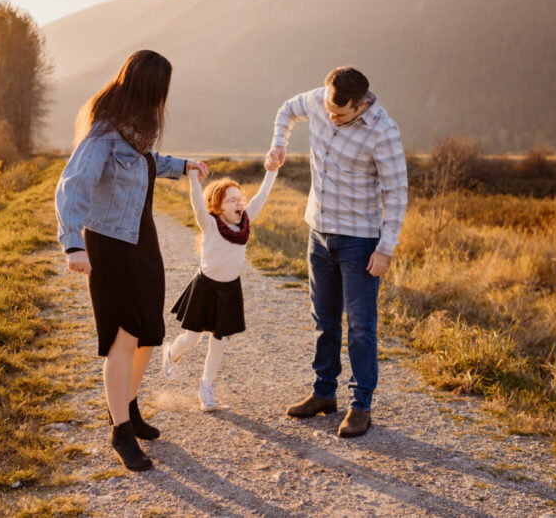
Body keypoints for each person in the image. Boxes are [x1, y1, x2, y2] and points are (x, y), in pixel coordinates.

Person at [55, 49, 208, 471]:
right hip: (108, 242)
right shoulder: (103, 131)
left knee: (149, 331)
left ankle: (127, 405)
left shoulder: (139, 128)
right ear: (146, 87)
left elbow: (145, 162)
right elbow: (72, 184)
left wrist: (183, 166)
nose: (164, 96)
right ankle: (120, 430)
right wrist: (73, 244)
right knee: (121, 337)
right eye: (161, 88)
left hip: (141, 238)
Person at [265, 66, 408, 438]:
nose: (331, 116)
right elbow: (286, 109)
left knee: (361, 326)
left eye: (340, 113)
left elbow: (396, 193)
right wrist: (279, 143)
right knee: (323, 319)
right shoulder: (318, 99)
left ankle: (360, 406)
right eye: (328, 108)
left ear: (360, 106)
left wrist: (386, 248)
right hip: (318, 232)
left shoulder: (383, 132)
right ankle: (323, 393)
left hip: (359, 242)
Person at [161, 161, 279, 410]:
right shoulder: (211, 225)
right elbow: (196, 205)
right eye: (231, 200)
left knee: (219, 342)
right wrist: (193, 179)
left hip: (229, 291)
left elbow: (263, 195)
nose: (239, 204)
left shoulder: (244, 223)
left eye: (240, 198)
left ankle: (206, 386)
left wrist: (272, 170)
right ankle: (171, 352)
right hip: (206, 288)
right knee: (193, 338)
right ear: (216, 207)